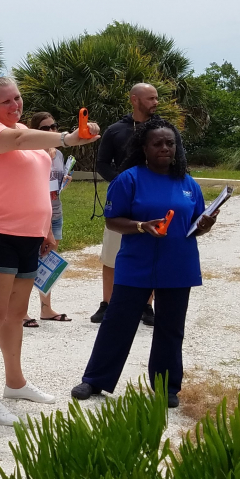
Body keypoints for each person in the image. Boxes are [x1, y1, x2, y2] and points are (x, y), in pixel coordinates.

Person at [0, 78, 100, 427]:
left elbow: (38, 182)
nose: (15, 105)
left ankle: (15, 382)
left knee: (16, 314)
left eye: (18, 98)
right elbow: (20, 140)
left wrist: (44, 230)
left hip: (28, 235)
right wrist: (67, 138)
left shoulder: (24, 130)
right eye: (6, 100)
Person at [71, 119, 219, 408]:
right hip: (136, 265)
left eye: (170, 143)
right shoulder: (128, 179)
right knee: (117, 323)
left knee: (170, 327)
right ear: (144, 147)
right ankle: (96, 380)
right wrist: (141, 226)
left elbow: (196, 224)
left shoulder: (188, 184)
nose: (165, 148)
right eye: (158, 143)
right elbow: (113, 221)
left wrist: (205, 225)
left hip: (178, 265)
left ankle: (167, 388)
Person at [92, 83, 161, 326]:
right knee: (112, 253)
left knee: (150, 252)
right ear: (135, 100)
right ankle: (107, 303)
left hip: (153, 198)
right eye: (151, 98)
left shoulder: (163, 130)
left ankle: (147, 306)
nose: (156, 102)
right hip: (121, 200)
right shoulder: (116, 130)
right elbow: (102, 163)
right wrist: (122, 182)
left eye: (156, 98)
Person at [22, 111, 71, 327]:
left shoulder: (58, 154)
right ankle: (21, 311)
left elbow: (54, 182)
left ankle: (45, 308)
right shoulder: (28, 152)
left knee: (49, 262)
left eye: (54, 126)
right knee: (28, 263)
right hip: (35, 214)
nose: (52, 131)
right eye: (45, 128)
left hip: (56, 210)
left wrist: (64, 182)